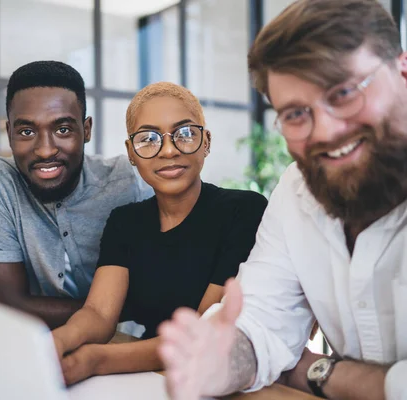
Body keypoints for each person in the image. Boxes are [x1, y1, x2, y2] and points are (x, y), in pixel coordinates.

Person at [157, 1, 407, 400]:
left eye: (343, 92)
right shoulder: (298, 189)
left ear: (403, 71)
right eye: (294, 113)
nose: (324, 131)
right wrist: (220, 362)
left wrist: (317, 373)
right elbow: (260, 324)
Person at [51, 82, 267, 385]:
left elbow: (203, 332)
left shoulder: (243, 211)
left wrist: (95, 360)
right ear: (131, 153)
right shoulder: (125, 221)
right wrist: (54, 342)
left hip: (221, 380)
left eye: (186, 134)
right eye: (148, 139)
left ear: (206, 142)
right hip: (147, 377)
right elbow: (99, 313)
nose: (168, 150)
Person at [0, 61, 152, 329]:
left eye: (62, 129)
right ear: (9, 133)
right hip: (41, 350)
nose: (44, 150)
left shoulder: (128, 181)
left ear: (86, 130)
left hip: (124, 347)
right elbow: (8, 304)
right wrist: (108, 314)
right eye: (27, 132)